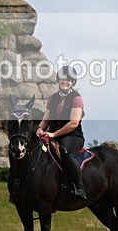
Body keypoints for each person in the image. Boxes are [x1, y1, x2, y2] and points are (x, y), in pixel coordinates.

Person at [36, 65, 87, 199]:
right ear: (59, 80)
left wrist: (53, 134)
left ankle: (79, 187)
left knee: (65, 152)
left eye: (69, 80)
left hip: (72, 136)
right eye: (63, 79)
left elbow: (73, 123)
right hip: (52, 135)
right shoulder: (53, 99)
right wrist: (40, 128)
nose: (66, 82)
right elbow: (46, 120)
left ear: (73, 82)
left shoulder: (77, 99)